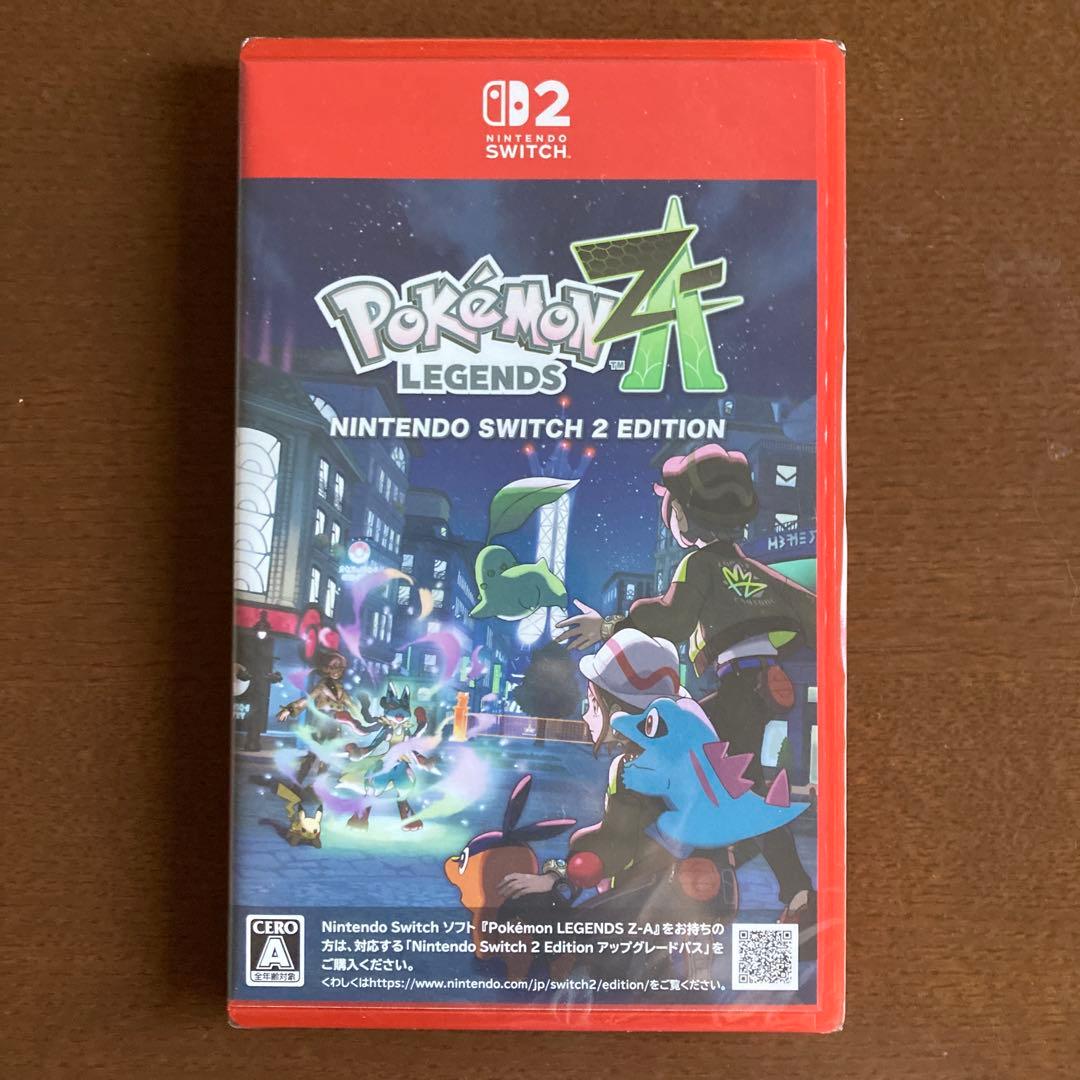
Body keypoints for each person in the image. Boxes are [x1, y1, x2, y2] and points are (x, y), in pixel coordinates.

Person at [555, 444, 817, 930]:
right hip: (764, 684)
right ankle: (793, 891)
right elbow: (813, 611)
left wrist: (610, 625)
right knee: (745, 786)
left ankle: (650, 849)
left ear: (685, 514)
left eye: (672, 509)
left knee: (669, 746)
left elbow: (672, 620)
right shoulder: (755, 570)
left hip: (742, 684)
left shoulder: (698, 565)